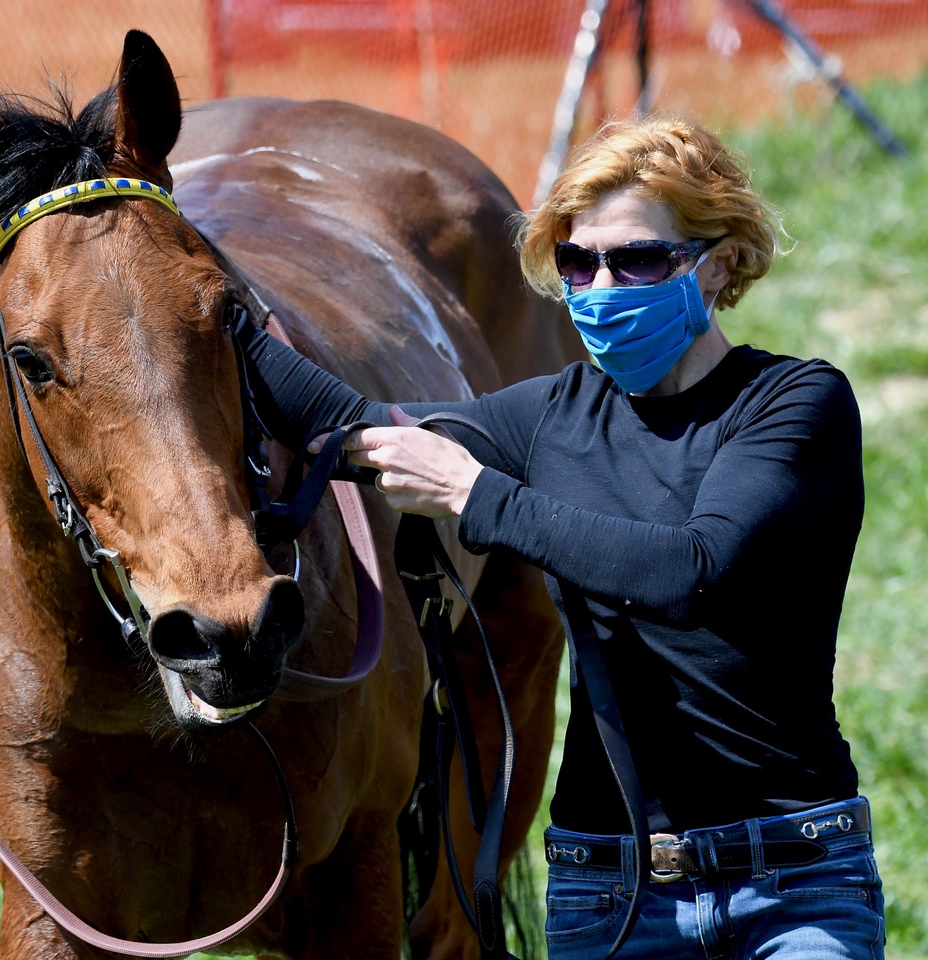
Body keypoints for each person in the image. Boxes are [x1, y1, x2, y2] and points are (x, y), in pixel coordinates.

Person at [236, 113, 885, 958]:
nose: (602, 287)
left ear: (719, 262)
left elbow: (690, 570)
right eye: (579, 264)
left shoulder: (792, 403)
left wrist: (474, 494)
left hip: (793, 881)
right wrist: (220, 313)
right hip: (609, 888)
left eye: (638, 260)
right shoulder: (553, 414)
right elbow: (351, 424)